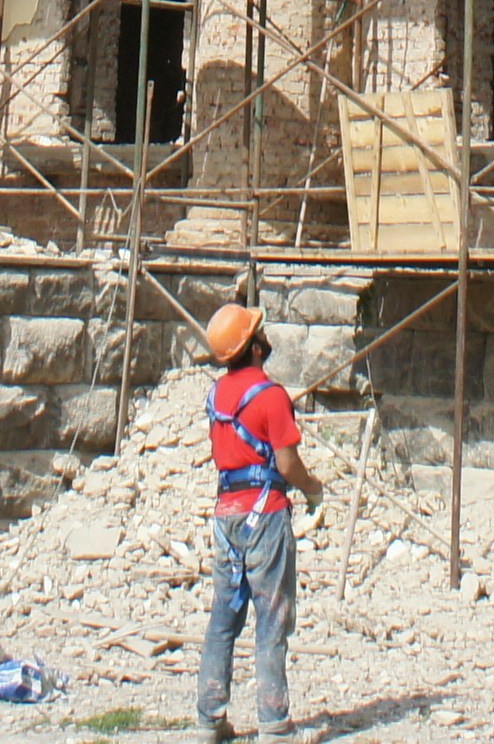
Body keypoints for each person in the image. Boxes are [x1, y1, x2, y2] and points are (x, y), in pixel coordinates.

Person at [195, 302, 318, 739]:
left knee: (224, 618)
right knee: (272, 617)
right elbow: (287, 464)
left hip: (226, 516)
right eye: (259, 333)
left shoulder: (216, 395)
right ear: (254, 348)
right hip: (264, 516)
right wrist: (313, 488)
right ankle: (275, 726)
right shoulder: (271, 397)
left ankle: (209, 720)